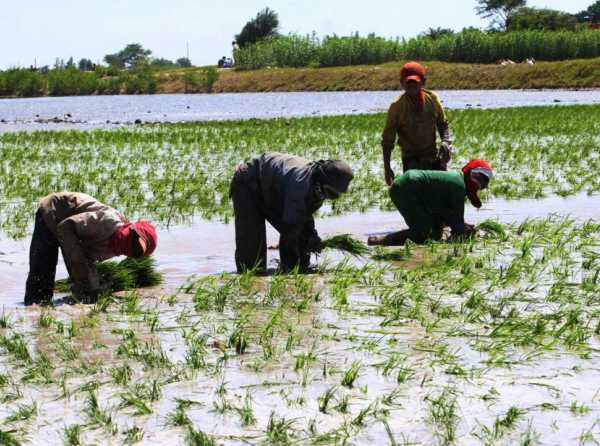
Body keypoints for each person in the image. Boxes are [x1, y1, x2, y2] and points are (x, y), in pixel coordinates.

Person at [24, 192, 157, 305]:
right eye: (134, 241)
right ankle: (33, 311)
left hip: (74, 233)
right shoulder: (107, 223)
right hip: (53, 212)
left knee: (85, 288)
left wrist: (93, 285)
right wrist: (78, 260)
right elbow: (65, 227)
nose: (132, 248)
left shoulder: (115, 248)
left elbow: (88, 260)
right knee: (41, 278)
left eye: (137, 250)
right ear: (131, 229)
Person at [230, 153, 354, 273]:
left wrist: (311, 236)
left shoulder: (317, 189)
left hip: (271, 188)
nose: (331, 197)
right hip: (248, 182)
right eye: (331, 193)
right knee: (251, 258)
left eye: (335, 196)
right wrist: (289, 269)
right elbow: (290, 229)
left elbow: (304, 217)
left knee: (302, 239)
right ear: (323, 183)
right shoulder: (300, 184)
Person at [368, 160, 493, 246]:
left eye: (482, 183)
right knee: (423, 233)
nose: (479, 185)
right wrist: (468, 232)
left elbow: (446, 214)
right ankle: (379, 241)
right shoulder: (459, 186)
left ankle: (400, 236)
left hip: (408, 186)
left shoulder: (457, 182)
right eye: (478, 179)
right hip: (407, 188)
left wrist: (461, 224)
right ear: (469, 173)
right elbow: (458, 228)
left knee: (436, 231)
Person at [381, 62, 453, 185]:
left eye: (415, 82)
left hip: (433, 157)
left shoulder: (432, 99)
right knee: (416, 195)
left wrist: (445, 142)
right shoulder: (397, 107)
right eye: (408, 83)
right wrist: (387, 169)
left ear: (423, 82)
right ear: (402, 83)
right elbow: (388, 141)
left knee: (440, 193)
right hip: (411, 160)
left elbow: (442, 123)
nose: (411, 86)